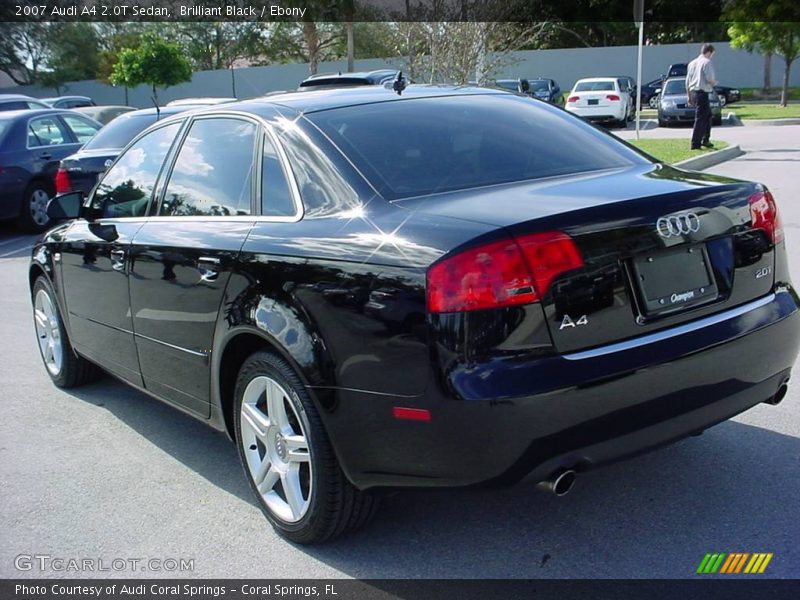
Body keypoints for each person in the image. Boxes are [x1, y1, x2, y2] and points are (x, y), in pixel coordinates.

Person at [685, 43, 718, 150]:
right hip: (702, 92)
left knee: (708, 116)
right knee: (700, 118)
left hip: (694, 92)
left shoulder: (692, 63)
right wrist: (714, 82)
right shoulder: (706, 62)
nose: (712, 56)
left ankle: (705, 139)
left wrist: (689, 96)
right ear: (709, 52)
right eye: (712, 54)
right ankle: (695, 143)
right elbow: (709, 79)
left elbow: (687, 81)